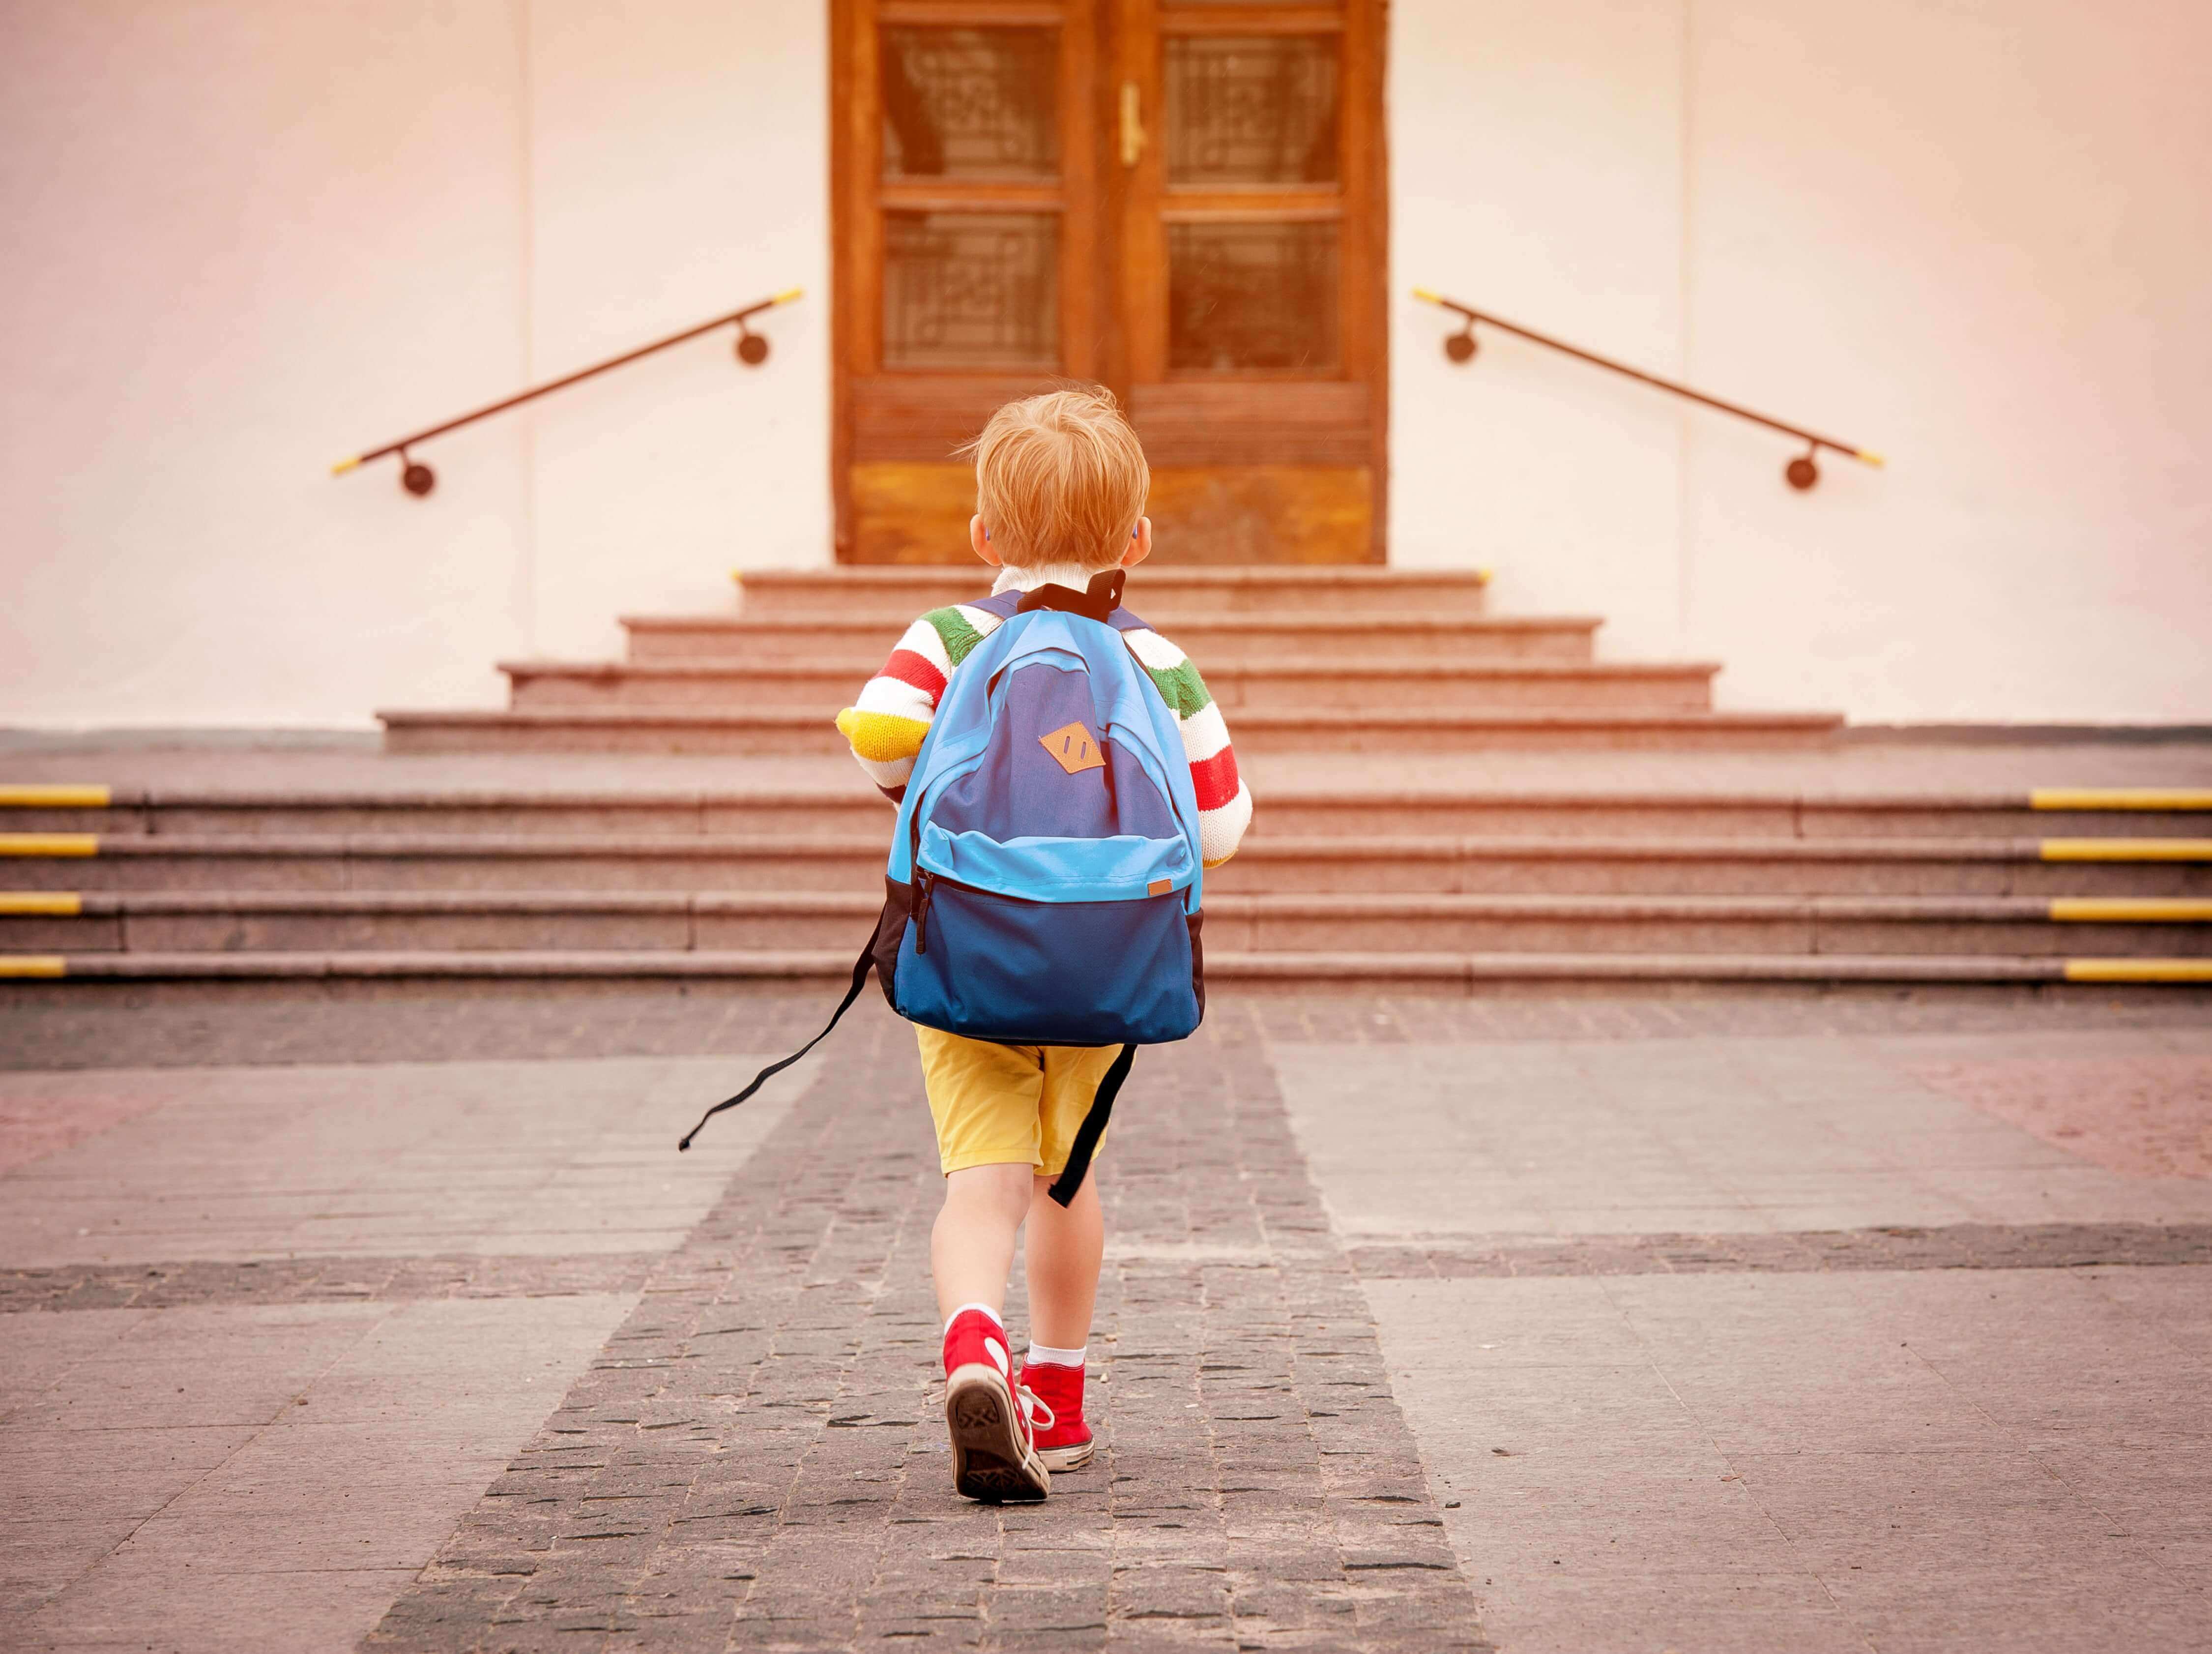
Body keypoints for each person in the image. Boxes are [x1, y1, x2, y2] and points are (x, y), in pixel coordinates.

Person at [835, 386, 1253, 1501]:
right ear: (1138, 539)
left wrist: (921, 788)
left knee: (981, 1179)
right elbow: (1220, 822)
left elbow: (879, 732)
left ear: (983, 537)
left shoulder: (950, 635)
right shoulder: (1155, 656)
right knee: (1066, 1179)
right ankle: (1057, 1397)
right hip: (1104, 963)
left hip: (966, 952)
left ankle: (975, 1342)